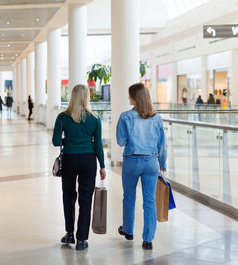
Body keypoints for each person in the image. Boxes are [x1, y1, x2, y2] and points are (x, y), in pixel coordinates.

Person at [52, 84, 106, 251]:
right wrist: (102, 166)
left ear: (72, 97)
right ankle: (82, 240)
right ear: (86, 97)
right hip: (89, 160)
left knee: (68, 196)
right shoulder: (95, 118)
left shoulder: (62, 117)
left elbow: (55, 141)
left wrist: (70, 142)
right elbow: (98, 145)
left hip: (70, 159)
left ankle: (69, 234)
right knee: (85, 200)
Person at [116, 83, 167, 251]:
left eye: (130, 95)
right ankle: (148, 239)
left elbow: (120, 141)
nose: (128, 98)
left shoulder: (125, 117)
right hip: (151, 162)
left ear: (135, 98)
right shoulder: (157, 118)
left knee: (129, 197)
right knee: (150, 201)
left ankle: (128, 231)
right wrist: (163, 163)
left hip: (131, 161)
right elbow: (162, 145)